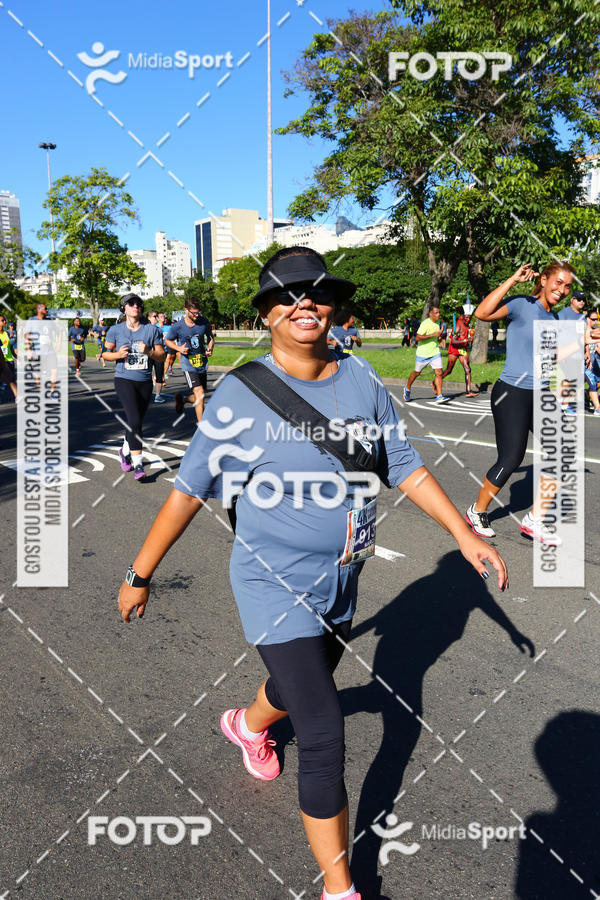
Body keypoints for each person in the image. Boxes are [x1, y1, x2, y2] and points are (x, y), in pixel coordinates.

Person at [117, 246, 508, 900]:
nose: (305, 303)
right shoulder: (242, 394)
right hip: (271, 583)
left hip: (342, 578)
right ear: (267, 312)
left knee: (301, 683)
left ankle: (247, 725)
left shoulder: (360, 377)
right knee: (323, 732)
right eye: (288, 294)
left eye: (318, 292)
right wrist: (139, 572)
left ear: (334, 306)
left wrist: (462, 533)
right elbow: (187, 491)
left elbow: (402, 462)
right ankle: (340, 888)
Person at [465, 261, 575, 543]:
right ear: (544, 279)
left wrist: (582, 343)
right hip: (511, 391)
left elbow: (547, 360)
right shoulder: (521, 304)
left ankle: (534, 520)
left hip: (540, 392)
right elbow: (482, 313)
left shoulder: (554, 319)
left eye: (567, 286)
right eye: (558, 282)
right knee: (512, 458)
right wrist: (512, 281)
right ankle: (477, 511)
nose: (562, 290)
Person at [101, 294, 165, 481]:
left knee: (134, 422)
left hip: (144, 382)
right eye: (131, 303)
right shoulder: (115, 330)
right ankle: (138, 465)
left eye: (138, 303)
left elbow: (161, 356)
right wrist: (117, 355)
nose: (135, 306)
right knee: (135, 421)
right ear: (124, 308)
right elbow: (105, 354)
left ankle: (125, 450)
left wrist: (149, 351)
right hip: (124, 379)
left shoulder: (151, 330)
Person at [166, 298, 214, 422]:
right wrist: (179, 348)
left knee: (200, 395)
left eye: (198, 312)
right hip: (188, 363)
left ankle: (183, 400)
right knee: (199, 393)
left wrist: (210, 348)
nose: (197, 315)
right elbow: (167, 340)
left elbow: (210, 338)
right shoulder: (178, 326)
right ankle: (202, 429)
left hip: (201, 362)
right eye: (194, 313)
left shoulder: (204, 322)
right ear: (186, 310)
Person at [403, 307, 449, 403]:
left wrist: (439, 338)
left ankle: (439, 396)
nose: (438, 315)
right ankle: (407, 389)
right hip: (423, 354)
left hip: (435, 352)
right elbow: (417, 337)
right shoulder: (425, 323)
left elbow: (436, 338)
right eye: (436, 313)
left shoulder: (438, 323)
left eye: (439, 313)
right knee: (417, 373)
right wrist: (433, 335)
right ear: (431, 314)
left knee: (439, 372)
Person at [438, 304, 479, 397]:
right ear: (462, 316)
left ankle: (468, 391)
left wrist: (469, 340)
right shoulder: (458, 325)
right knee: (449, 370)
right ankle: (436, 382)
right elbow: (453, 341)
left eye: (470, 317)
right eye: (467, 317)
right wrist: (465, 340)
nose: (468, 319)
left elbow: (465, 338)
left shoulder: (467, 325)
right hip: (454, 350)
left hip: (462, 350)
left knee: (468, 369)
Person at [146, 311, 167, 403]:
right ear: (149, 318)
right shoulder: (144, 329)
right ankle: (145, 394)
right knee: (146, 374)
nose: (156, 318)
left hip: (158, 354)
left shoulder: (158, 329)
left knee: (159, 374)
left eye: (156, 316)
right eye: (154, 316)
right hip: (148, 354)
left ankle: (158, 395)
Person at [584, 309, 600, 415]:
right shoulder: (583, 331)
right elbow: (586, 342)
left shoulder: (596, 331)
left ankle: (586, 395)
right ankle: (597, 408)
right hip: (583, 363)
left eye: (597, 319)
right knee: (593, 384)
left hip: (593, 363)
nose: (595, 322)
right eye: (593, 319)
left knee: (596, 383)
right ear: (587, 319)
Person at [0, 314, 17, 400]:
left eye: (4, 320)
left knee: (11, 379)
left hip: (9, 359)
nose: (5, 321)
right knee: (9, 379)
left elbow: (10, 347)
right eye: (2, 320)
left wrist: (16, 356)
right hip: (1, 360)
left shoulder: (7, 333)